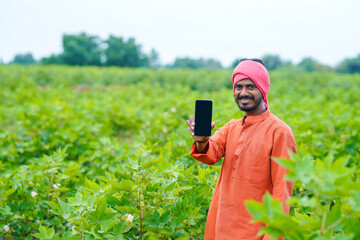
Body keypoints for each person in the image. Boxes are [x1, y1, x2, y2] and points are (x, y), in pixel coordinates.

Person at [186, 59, 297, 240]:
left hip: (256, 233)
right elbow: (209, 153)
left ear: (262, 88)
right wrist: (201, 140)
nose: (243, 93)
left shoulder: (279, 132)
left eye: (250, 87)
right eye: (238, 87)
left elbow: (281, 193)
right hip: (221, 228)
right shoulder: (232, 127)